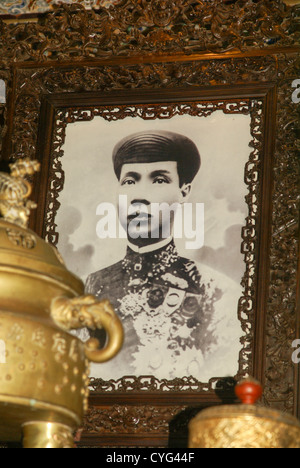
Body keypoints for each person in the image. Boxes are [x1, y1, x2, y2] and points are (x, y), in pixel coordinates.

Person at [85, 130, 243, 380]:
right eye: (130, 181)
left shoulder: (217, 292)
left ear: (184, 192)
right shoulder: (87, 288)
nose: (139, 196)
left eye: (158, 180)